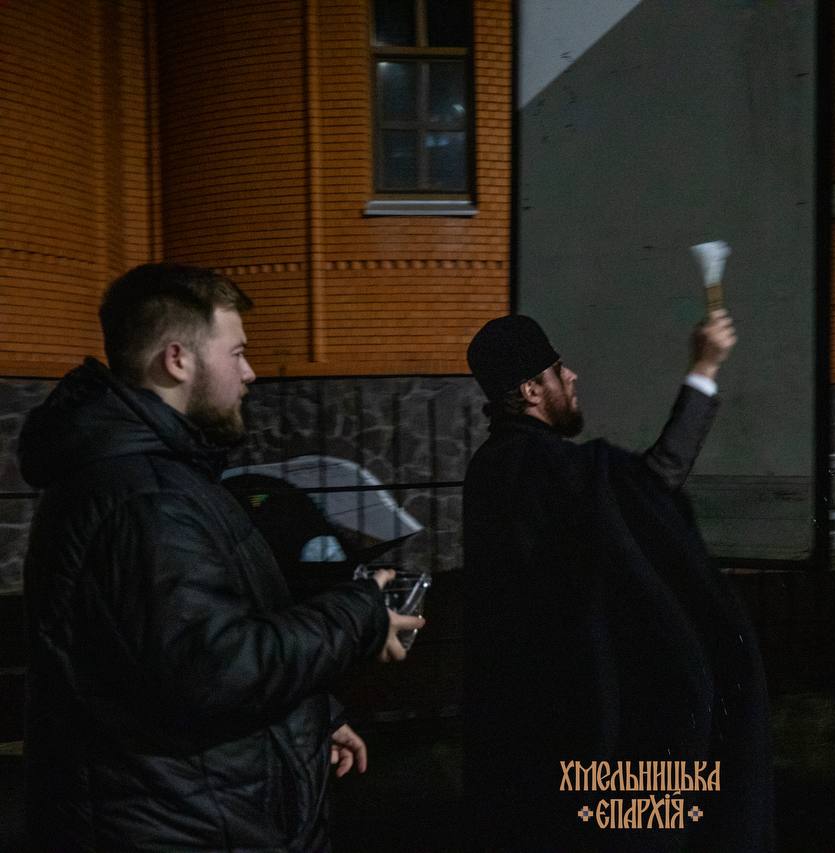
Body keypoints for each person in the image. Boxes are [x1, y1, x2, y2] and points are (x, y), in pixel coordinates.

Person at [19, 263, 424, 852]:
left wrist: (313, 716)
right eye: (236, 352)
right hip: (180, 827)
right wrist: (361, 615)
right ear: (178, 360)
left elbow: (183, 651)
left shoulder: (154, 480)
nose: (250, 372)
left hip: (193, 809)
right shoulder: (148, 501)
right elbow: (215, 670)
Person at [463, 311, 774, 852]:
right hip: (581, 722)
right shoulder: (547, 467)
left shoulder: (489, 468)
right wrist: (704, 368)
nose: (573, 376)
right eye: (559, 370)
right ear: (532, 390)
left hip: (520, 730)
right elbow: (657, 478)